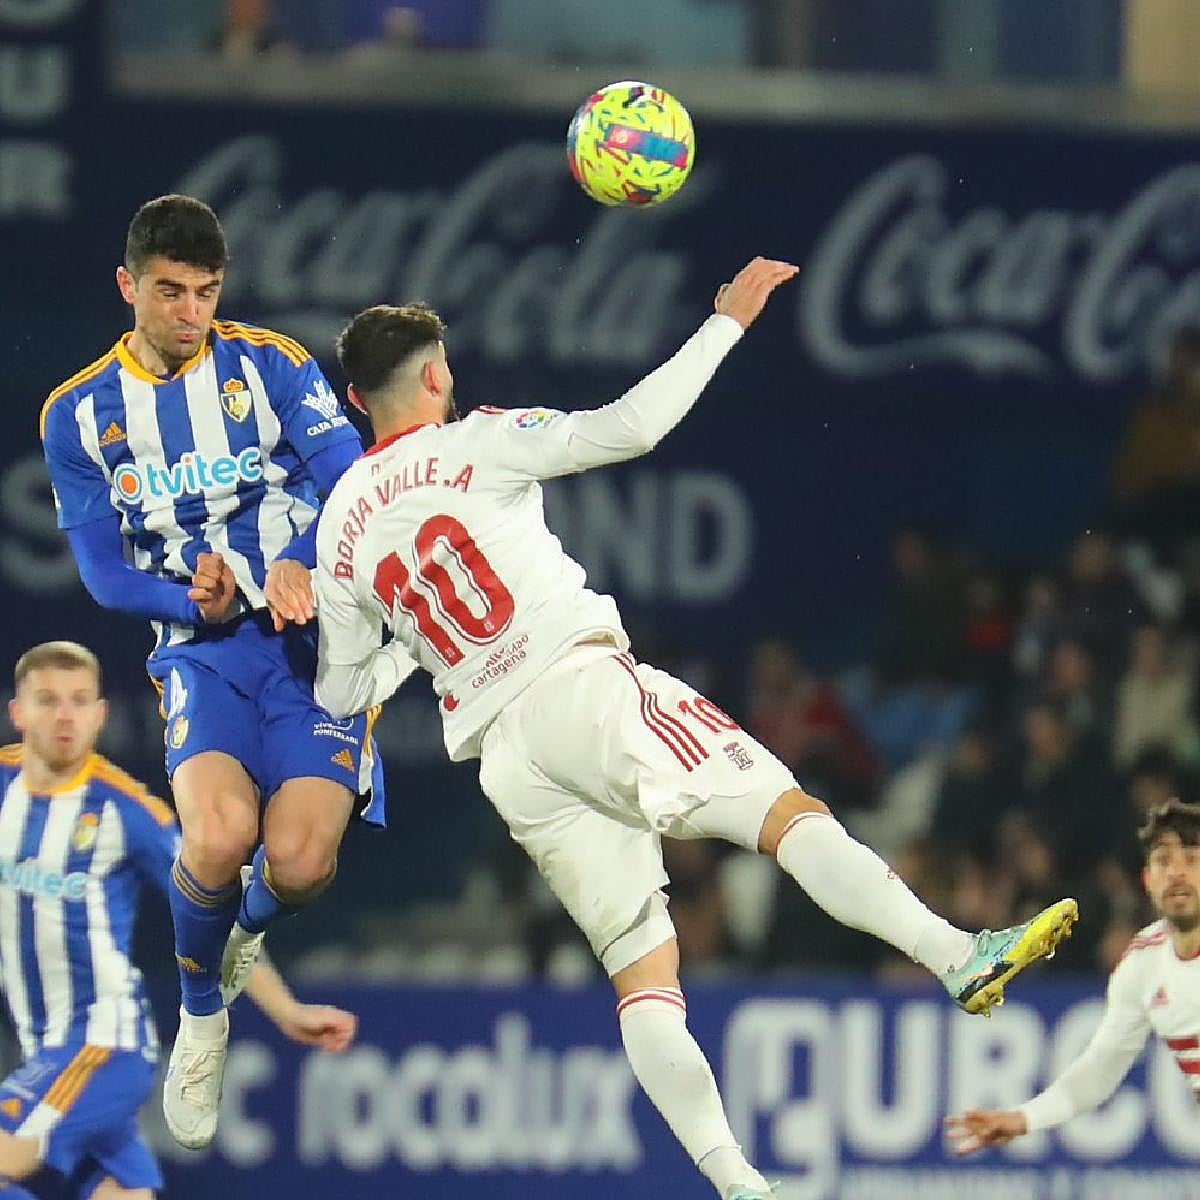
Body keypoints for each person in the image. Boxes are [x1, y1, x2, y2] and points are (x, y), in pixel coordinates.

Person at [310, 257, 1079, 1199]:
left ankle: (735, 1181)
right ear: (435, 376)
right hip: (583, 690)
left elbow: (343, 694)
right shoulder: (477, 441)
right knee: (788, 812)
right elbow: (628, 428)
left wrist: (414, 653)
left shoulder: (340, 523)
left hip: (508, 758)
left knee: (644, 977)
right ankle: (958, 957)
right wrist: (726, 323)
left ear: (354, 399)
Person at [38, 195, 379, 1151]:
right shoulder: (77, 416)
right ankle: (201, 1013)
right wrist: (196, 602)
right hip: (201, 648)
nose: (191, 313)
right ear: (128, 287)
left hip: (314, 640)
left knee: (303, 864)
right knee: (219, 835)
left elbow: (348, 466)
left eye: (207, 293)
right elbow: (105, 572)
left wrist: (301, 555)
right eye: (171, 293)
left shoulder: (268, 365)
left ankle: (240, 939)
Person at [0, 641, 357, 1199]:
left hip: (101, 1042)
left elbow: (210, 911)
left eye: (78, 701)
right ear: (18, 712)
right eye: (48, 701)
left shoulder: (123, 811)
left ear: (100, 714)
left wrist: (285, 1009)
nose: (64, 716)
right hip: (41, 1048)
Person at [947, 798, 1200, 1156]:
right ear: (1148, 879)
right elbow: (1101, 1068)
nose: (1176, 873)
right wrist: (1025, 1118)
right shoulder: (1144, 964)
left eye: (1191, 860)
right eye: (1163, 861)